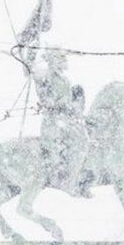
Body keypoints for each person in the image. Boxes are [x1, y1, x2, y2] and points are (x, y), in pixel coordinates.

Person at [31, 49, 92, 197]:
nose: (65, 61)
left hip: (67, 119)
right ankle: (62, 178)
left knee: (84, 139)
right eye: (61, 59)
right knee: (61, 146)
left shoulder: (64, 80)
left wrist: (75, 104)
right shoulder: (46, 77)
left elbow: (69, 100)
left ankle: (76, 175)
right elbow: (46, 100)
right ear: (53, 60)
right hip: (53, 120)